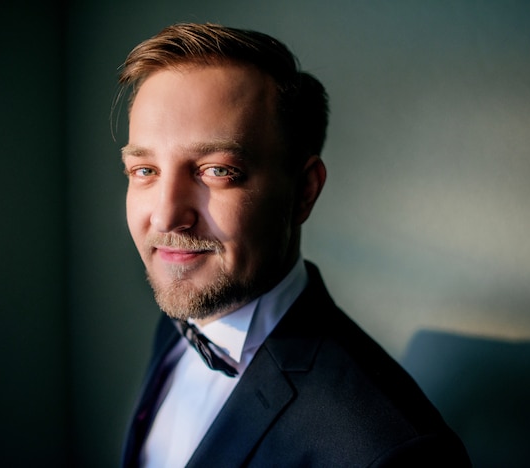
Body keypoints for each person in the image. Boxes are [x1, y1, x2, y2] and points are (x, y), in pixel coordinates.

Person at [118, 22, 470, 467]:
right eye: (145, 171)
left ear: (304, 190)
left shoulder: (389, 448)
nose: (167, 216)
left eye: (217, 170)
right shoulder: (181, 315)